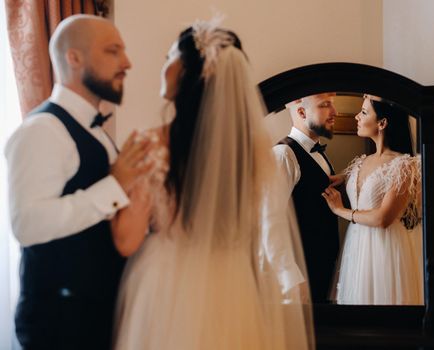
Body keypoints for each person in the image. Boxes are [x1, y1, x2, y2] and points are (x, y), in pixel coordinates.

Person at [112, 18, 314, 350]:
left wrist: (117, 180)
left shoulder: (152, 145)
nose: (162, 67)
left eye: (168, 58)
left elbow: (125, 240)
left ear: (188, 71)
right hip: (234, 285)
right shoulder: (253, 155)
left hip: (169, 285)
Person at [4, 14, 153, 349]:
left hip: (97, 316)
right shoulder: (42, 131)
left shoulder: (96, 133)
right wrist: (115, 186)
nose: (127, 62)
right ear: (74, 58)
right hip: (59, 325)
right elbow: (26, 224)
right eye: (114, 51)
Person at [322, 94, 423, 305]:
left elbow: (383, 218)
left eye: (364, 112)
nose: (357, 116)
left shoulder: (403, 165)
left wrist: (340, 211)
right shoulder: (360, 162)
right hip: (356, 247)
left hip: (384, 248)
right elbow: (345, 181)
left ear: (383, 123)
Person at [273, 93, 340, 303]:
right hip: (299, 278)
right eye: (325, 105)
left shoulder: (318, 153)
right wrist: (291, 279)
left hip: (322, 272)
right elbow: (269, 223)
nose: (335, 112)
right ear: (302, 112)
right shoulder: (284, 154)